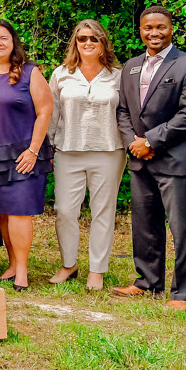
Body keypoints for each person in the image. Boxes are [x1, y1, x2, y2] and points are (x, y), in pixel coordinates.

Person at [112, 6, 186, 311]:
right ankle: (147, 282)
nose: (154, 32)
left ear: (171, 29)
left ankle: (184, 294)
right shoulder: (130, 67)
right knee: (144, 225)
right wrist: (133, 143)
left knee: (181, 229)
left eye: (160, 27)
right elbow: (123, 111)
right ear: (139, 30)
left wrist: (151, 141)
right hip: (140, 160)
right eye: (147, 27)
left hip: (174, 159)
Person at [0, 20, 54, 290]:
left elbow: (45, 111)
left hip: (23, 153)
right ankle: (11, 264)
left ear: (13, 42)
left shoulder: (29, 73)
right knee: (3, 213)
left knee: (19, 212)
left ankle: (22, 271)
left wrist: (32, 150)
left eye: (3, 38)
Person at [48, 20, 126, 291]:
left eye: (94, 38)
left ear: (103, 42)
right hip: (68, 150)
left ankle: (97, 269)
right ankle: (69, 264)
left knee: (103, 211)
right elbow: (51, 113)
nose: (88, 43)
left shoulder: (118, 74)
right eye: (82, 39)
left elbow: (128, 113)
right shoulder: (61, 74)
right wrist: (46, 146)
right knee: (65, 211)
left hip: (108, 151)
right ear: (75, 43)